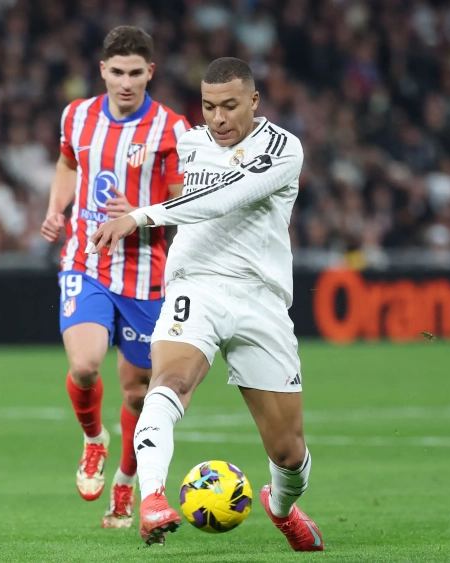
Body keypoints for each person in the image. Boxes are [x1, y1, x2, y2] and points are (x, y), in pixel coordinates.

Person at [89, 57, 324, 551]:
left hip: (261, 299)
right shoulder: (189, 143)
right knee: (168, 383)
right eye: (209, 106)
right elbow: (144, 172)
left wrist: (140, 216)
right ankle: (152, 498)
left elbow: (224, 197)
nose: (218, 118)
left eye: (230, 106)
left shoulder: (282, 149)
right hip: (195, 286)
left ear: (254, 102)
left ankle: (281, 507)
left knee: (288, 449)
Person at [41, 25, 189, 528]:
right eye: (117, 73)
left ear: (151, 72)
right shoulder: (77, 115)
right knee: (84, 364)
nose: (126, 83)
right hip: (86, 260)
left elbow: (188, 205)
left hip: (147, 273)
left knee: (137, 392)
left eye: (136, 74)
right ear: (102, 70)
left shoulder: (172, 130)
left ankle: (126, 483)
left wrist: (146, 212)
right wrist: (56, 207)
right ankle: (92, 440)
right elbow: (67, 163)